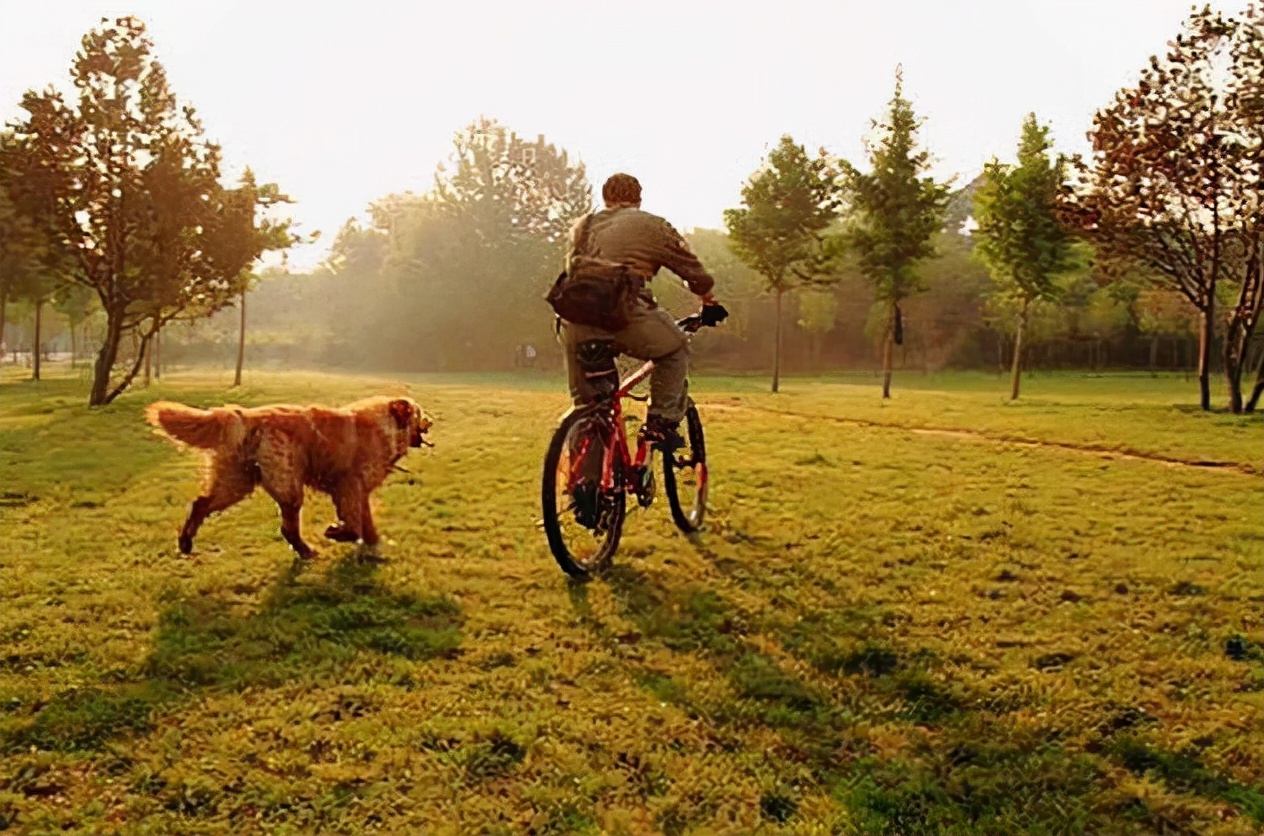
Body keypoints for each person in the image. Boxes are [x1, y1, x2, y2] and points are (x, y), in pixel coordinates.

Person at [560, 173, 720, 450]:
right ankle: (660, 423)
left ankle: (585, 486)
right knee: (675, 349)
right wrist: (708, 303)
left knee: (592, 409)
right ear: (638, 198)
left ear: (605, 198)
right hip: (624, 314)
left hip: (574, 321)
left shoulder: (582, 226)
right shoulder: (651, 225)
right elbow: (694, 273)